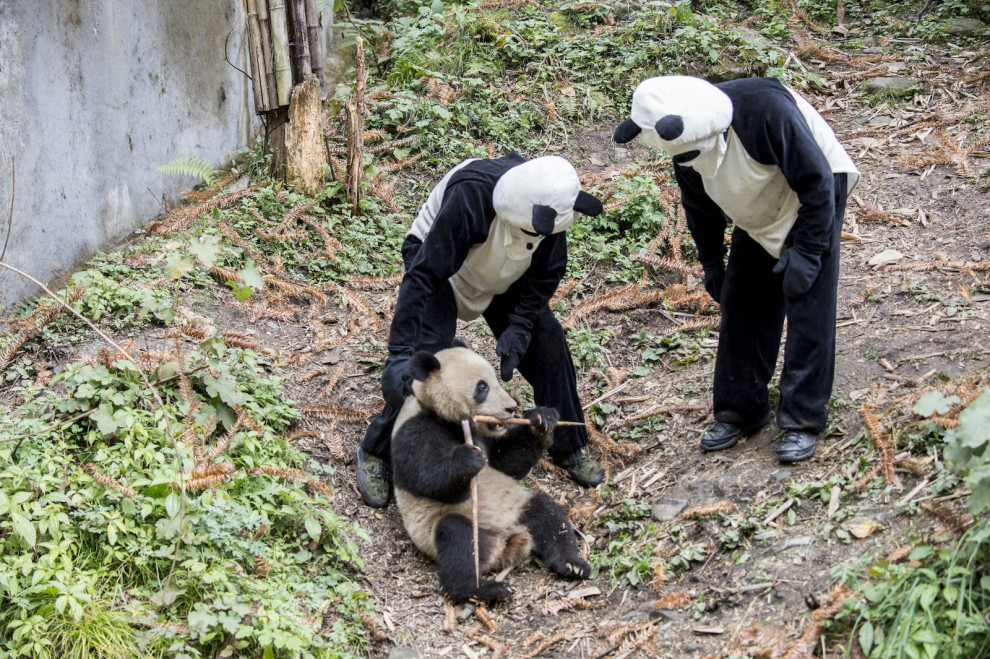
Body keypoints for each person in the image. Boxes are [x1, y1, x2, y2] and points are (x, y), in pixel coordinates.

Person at [613, 75, 859, 463]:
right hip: (756, 209)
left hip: (815, 195)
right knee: (742, 301)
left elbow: (817, 181)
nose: (690, 162)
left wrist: (809, 251)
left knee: (808, 302)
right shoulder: (683, 144)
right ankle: (740, 410)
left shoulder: (766, 111)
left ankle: (803, 418)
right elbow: (700, 208)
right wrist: (712, 263)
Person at [356, 152, 606, 508]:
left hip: (502, 274)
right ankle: (377, 451)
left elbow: (546, 273)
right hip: (439, 264)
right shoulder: (470, 195)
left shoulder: (553, 202)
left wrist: (520, 325)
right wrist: (400, 352)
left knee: (549, 342)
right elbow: (422, 278)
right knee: (428, 366)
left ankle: (568, 445)